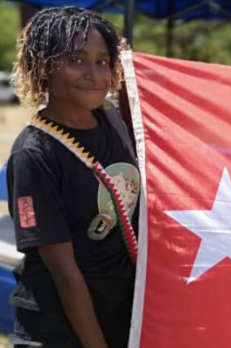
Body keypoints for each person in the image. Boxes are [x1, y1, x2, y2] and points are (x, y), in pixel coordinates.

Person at [7, 6, 139, 348]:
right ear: (42, 68)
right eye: (76, 60)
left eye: (102, 61)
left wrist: (128, 69)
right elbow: (64, 274)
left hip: (118, 314)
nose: (94, 74)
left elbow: (141, 123)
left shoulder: (110, 118)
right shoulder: (34, 155)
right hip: (62, 329)